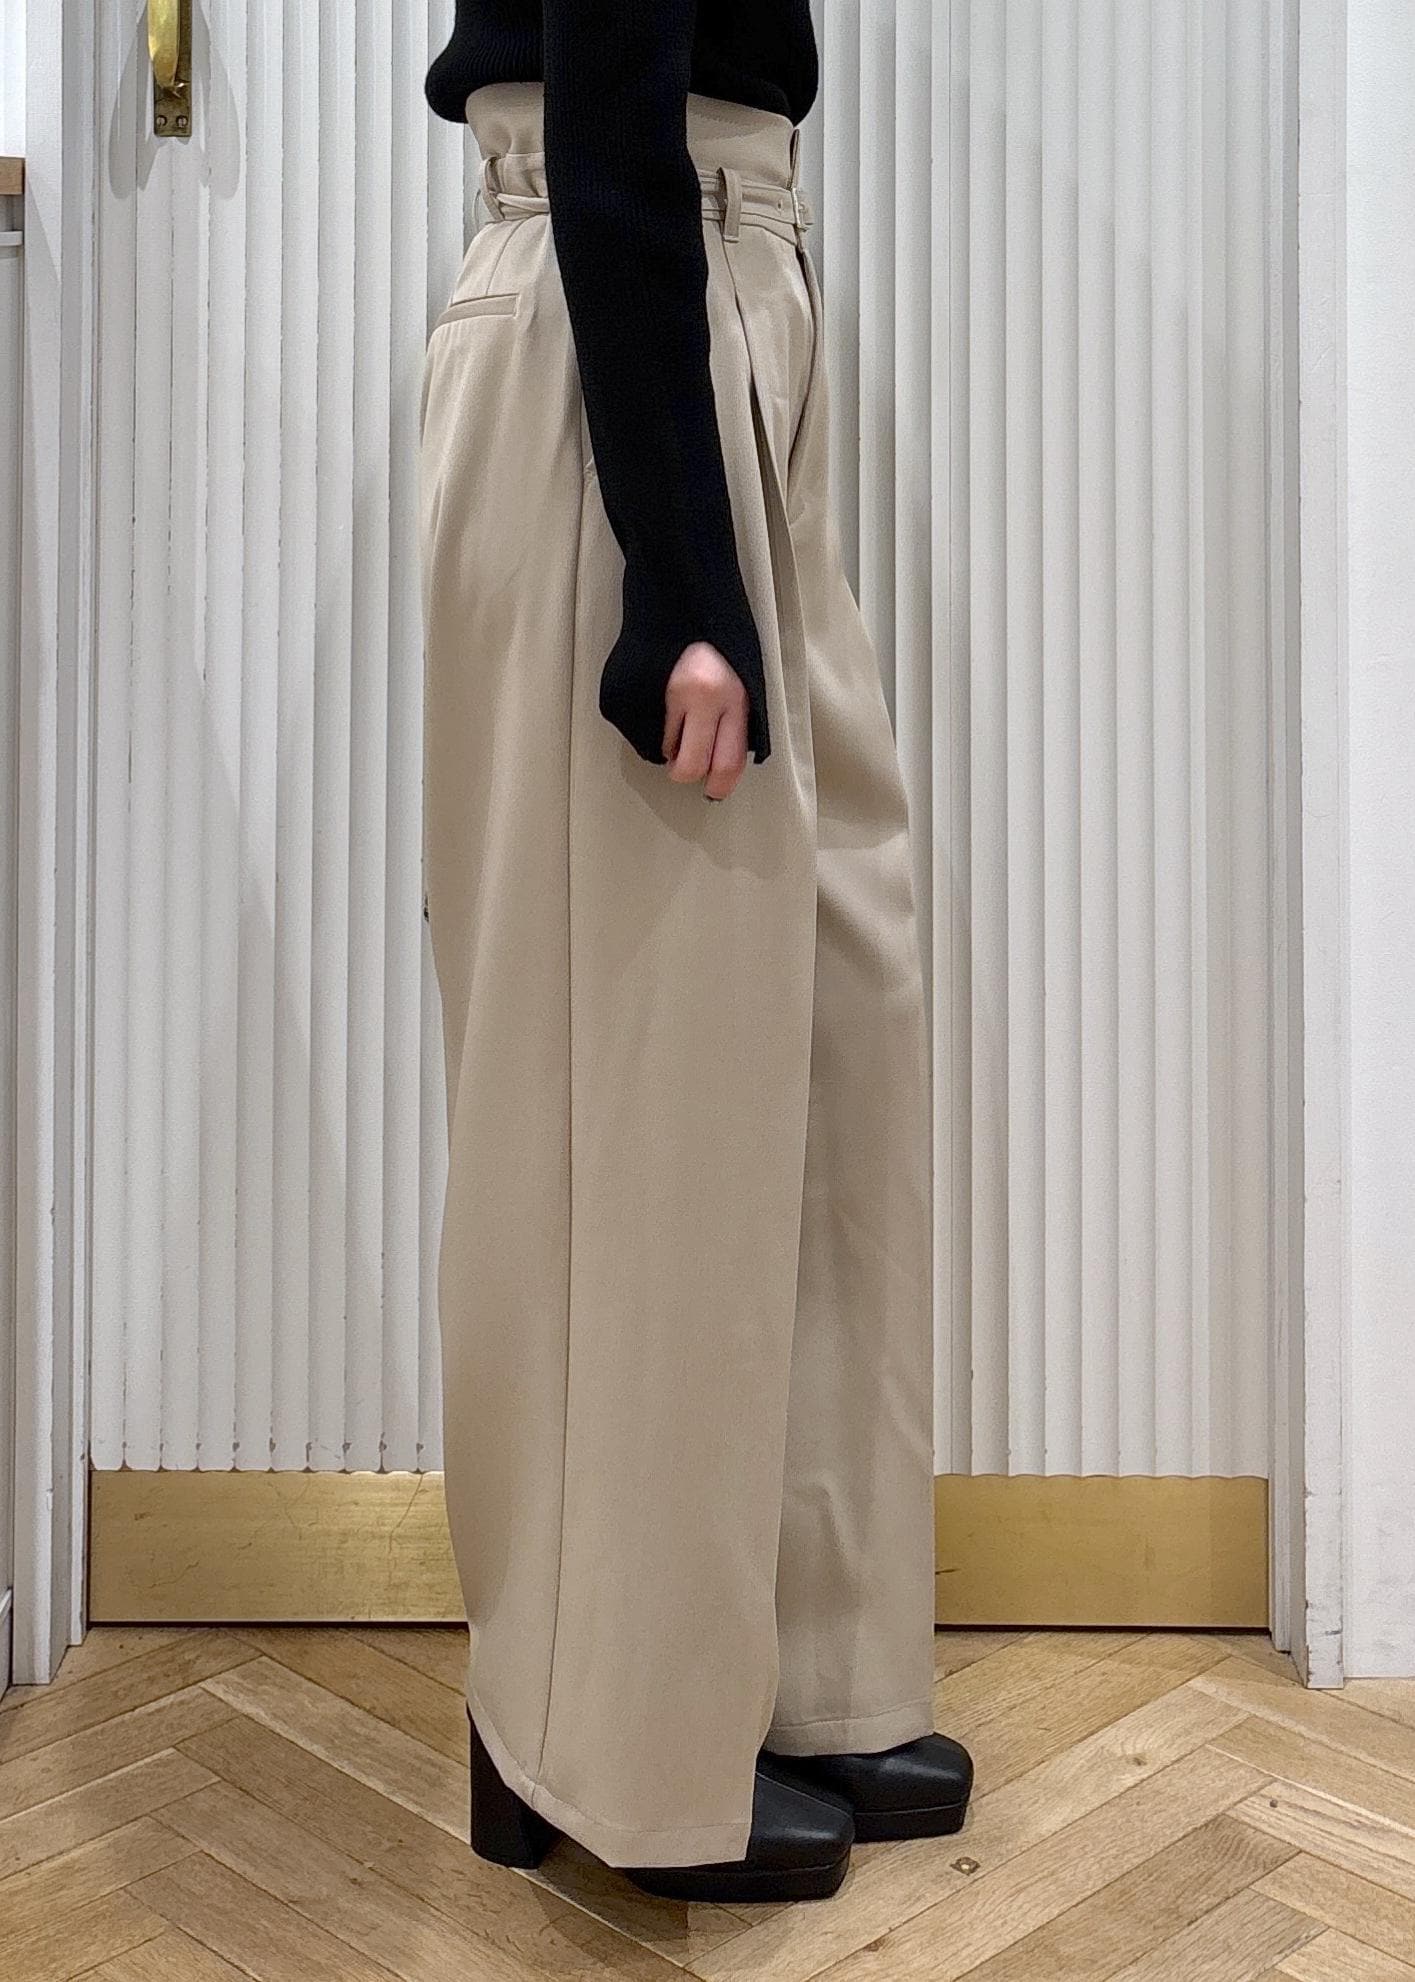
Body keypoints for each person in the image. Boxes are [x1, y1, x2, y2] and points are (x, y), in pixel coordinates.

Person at [419, 0, 973, 1905]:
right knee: (644, 1077)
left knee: (825, 1015)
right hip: (623, 272)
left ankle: (799, 1668)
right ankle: (596, 1736)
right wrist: (674, 568)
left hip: (728, 268)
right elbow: (606, 70)